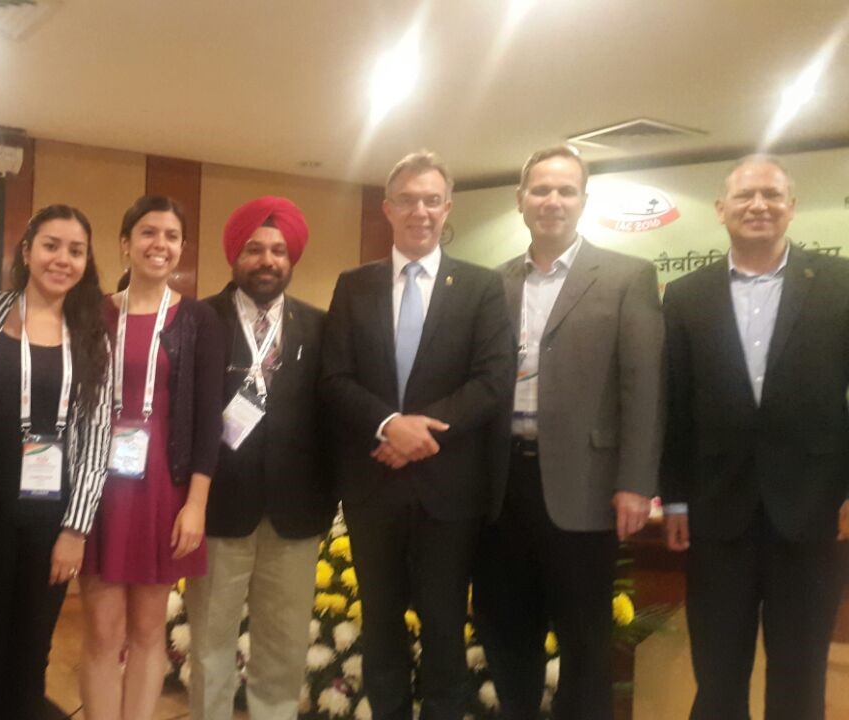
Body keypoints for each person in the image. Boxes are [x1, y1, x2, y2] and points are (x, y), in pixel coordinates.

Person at [320, 150, 516, 720]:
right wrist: (388, 425)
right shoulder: (354, 285)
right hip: (373, 488)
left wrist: (420, 434)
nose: (420, 211)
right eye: (407, 199)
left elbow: (492, 379)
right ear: (387, 209)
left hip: (448, 492)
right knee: (379, 627)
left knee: (444, 628)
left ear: (447, 207)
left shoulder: (480, 287)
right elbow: (334, 377)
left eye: (432, 199)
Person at [471, 146, 664, 720]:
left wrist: (635, 482)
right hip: (502, 486)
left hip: (585, 486)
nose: (551, 201)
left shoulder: (628, 277)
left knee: (584, 641)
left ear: (583, 200)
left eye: (565, 190)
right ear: (520, 200)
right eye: (540, 190)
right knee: (506, 632)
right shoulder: (492, 284)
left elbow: (644, 386)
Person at [660, 154, 849, 720]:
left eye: (771, 195)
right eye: (745, 196)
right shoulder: (687, 296)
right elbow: (675, 407)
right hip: (718, 519)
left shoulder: (840, 285)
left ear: (791, 207)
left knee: (799, 677)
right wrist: (673, 497)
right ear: (721, 210)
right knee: (717, 678)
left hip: (813, 515)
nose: (758, 205)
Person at [185, 196, 336, 720]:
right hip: (219, 509)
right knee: (210, 640)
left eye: (278, 250)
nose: (267, 260)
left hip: (296, 514)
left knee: (285, 643)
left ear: (291, 258)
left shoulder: (319, 327)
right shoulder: (199, 320)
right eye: (254, 249)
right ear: (235, 256)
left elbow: (332, 414)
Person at [0, 204, 112, 719]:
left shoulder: (92, 336)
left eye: (76, 250)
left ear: (86, 262)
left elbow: (96, 437)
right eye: (51, 245)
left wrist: (77, 528)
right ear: (27, 252)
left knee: (32, 644)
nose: (62, 259)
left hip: (51, 516)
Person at [78, 195, 225, 720]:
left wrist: (197, 504)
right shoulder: (91, 311)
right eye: (147, 233)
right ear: (125, 244)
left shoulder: (198, 320)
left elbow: (209, 418)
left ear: (181, 248)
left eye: (170, 236)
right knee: (101, 631)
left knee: (147, 632)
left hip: (164, 487)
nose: (159, 244)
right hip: (98, 486)